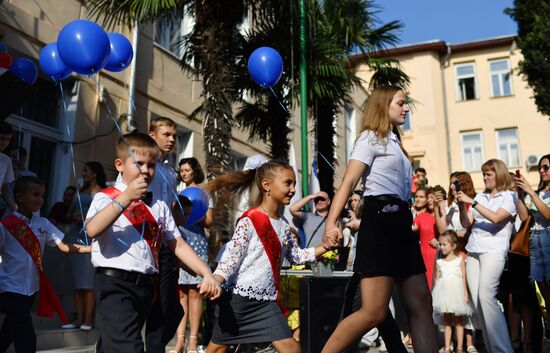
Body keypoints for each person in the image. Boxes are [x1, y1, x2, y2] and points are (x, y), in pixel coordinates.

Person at [320, 85, 437, 353]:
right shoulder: (370, 138)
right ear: (384, 106)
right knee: (373, 311)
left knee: (422, 301)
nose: (407, 108)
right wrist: (331, 223)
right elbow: (348, 182)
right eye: (401, 103)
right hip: (380, 223)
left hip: (402, 225)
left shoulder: (396, 142)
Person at [85, 132, 221, 353]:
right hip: (115, 283)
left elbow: (178, 243)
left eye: (151, 165)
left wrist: (206, 273)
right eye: (138, 164)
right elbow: (92, 229)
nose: (146, 171)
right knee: (130, 346)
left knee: (114, 345)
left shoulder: (159, 205)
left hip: (146, 286)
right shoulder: (107, 197)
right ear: (119, 165)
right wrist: (126, 197)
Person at [204, 160, 336, 353]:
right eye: (287, 183)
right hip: (238, 300)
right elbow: (232, 257)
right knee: (218, 349)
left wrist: (325, 246)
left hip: (266, 303)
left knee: (292, 349)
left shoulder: (283, 224)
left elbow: (297, 256)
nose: (292, 189)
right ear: (267, 185)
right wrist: (216, 279)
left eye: (294, 184)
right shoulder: (250, 219)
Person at [0, 176, 91, 353]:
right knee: (25, 333)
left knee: (9, 331)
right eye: (35, 195)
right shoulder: (6, 225)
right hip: (9, 288)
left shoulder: (44, 224)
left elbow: (64, 246)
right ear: (19, 197)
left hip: (31, 289)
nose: (40, 200)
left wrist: (89, 249)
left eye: (42, 196)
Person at [457, 158, 516, 353]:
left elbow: (497, 218)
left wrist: (471, 202)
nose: (484, 177)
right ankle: (493, 348)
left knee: (486, 296)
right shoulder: (481, 197)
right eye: (483, 174)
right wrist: (460, 206)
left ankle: (503, 349)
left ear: (498, 174)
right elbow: (466, 224)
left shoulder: (509, 196)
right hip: (474, 250)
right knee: (478, 300)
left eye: (488, 174)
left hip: (494, 251)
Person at [145, 117, 185, 353]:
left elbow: (168, 210)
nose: (171, 139)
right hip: (146, 241)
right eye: (166, 134)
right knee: (144, 303)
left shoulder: (169, 172)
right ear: (152, 135)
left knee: (170, 308)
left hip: (166, 242)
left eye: (174, 136)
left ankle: (155, 346)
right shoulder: (142, 166)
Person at [434, 172, 479, 353]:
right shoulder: (449, 205)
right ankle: (451, 343)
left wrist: (461, 236)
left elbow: (470, 227)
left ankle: (470, 341)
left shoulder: (472, 201)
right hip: (451, 254)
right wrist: (439, 208)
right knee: (453, 303)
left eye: (455, 183)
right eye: (451, 183)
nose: (452, 187)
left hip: (467, 253)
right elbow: (443, 230)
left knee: (467, 301)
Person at [173, 157, 213, 353]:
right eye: (181, 170)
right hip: (180, 242)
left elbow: (209, 221)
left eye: (187, 170)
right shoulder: (177, 193)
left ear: (195, 171)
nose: (183, 173)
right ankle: (179, 340)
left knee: (194, 293)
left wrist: (193, 212)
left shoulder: (204, 193)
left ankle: (193, 341)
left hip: (196, 244)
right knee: (180, 292)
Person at [59, 161, 106, 331]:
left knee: (88, 283)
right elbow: (67, 213)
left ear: (94, 173)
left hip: (89, 237)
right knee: (77, 283)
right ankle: (78, 318)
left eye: (86, 170)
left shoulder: (102, 192)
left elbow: (104, 216)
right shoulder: (79, 192)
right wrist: (74, 215)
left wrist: (85, 217)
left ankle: (88, 320)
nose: (83, 173)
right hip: (74, 235)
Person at [516, 154, 550, 350]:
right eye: (541, 168)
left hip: (548, 241)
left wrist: (531, 193)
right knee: (544, 293)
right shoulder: (535, 192)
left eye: (546, 167)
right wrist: (521, 195)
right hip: (535, 243)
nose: (542, 171)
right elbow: (524, 218)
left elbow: (547, 215)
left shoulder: (537, 194)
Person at [432, 230, 473, 353]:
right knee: (447, 322)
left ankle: (460, 347)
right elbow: (437, 280)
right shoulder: (439, 262)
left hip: (457, 293)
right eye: (440, 244)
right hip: (444, 294)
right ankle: (447, 346)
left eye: (444, 244)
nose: (441, 247)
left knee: (459, 321)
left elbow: (464, 277)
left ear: (453, 245)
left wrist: (465, 293)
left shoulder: (459, 260)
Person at [413, 187, 438, 289]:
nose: (418, 199)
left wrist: (439, 240)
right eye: (416, 196)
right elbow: (410, 228)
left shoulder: (442, 213)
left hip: (439, 254)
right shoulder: (422, 216)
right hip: (424, 256)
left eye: (421, 197)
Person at [0, 122, 16, 216]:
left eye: (8, 139)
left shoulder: (6, 161)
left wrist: (15, 208)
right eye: (2, 138)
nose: (5, 143)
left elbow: (4, 189)